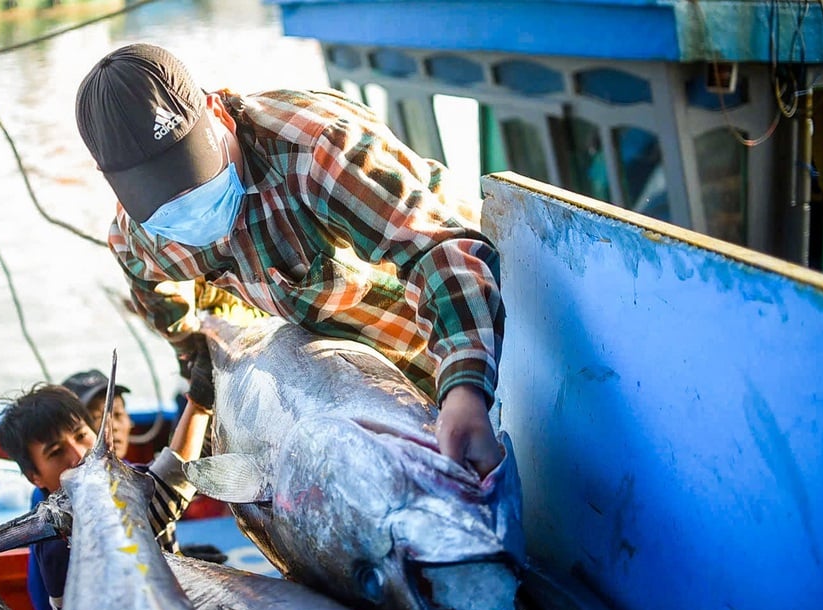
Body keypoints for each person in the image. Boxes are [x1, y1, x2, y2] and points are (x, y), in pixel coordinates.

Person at [74, 43, 506, 477]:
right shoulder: (142, 233)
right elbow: (146, 279)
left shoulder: (319, 149)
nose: (189, 204)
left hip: (472, 334)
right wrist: (192, 350)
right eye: (167, 201)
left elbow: (435, 250)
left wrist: (465, 387)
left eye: (194, 178)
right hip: (345, 380)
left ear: (218, 114)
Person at [0, 369, 213, 610]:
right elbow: (171, 483)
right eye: (55, 452)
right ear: (35, 477)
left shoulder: (124, 476)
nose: (79, 455)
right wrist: (198, 406)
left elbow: (174, 476)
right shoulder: (58, 539)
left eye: (81, 436)